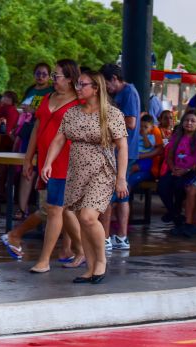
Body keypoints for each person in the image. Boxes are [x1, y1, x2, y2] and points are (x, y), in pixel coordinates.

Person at [42, 70, 129, 284]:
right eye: (78, 84)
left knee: (89, 217)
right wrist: (47, 163)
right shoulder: (72, 113)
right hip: (77, 171)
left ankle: (101, 262)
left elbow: (123, 146)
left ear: (96, 88)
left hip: (102, 171)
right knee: (82, 219)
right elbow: (59, 139)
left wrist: (121, 178)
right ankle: (90, 268)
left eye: (82, 84)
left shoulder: (112, 114)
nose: (78, 88)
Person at [20, 59, 85, 274]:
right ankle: (81, 250)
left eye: (56, 76)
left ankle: (44, 260)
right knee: (64, 210)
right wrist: (28, 158)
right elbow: (37, 129)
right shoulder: (48, 97)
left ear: (69, 79)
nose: (52, 79)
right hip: (46, 160)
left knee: (56, 208)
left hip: (67, 161)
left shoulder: (79, 102)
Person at [99, 63, 140, 251]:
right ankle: (121, 237)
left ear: (114, 79)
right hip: (123, 151)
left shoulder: (129, 92)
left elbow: (131, 122)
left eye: (106, 83)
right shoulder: (122, 93)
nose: (105, 88)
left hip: (123, 151)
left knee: (109, 195)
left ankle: (105, 237)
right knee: (122, 195)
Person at [157, 109, 196, 227]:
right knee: (162, 186)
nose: (189, 123)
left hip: (192, 171)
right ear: (182, 122)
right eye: (186, 120)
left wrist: (187, 170)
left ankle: (175, 215)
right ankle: (174, 213)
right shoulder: (177, 135)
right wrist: (173, 168)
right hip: (175, 170)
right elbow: (169, 156)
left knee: (179, 186)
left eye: (192, 121)